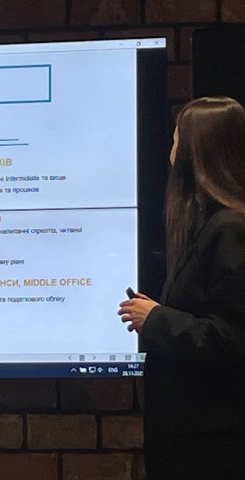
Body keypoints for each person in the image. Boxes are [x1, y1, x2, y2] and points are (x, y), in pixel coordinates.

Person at [118, 96, 245, 480]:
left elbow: (233, 340)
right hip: (193, 439)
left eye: (176, 141)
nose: (170, 153)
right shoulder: (209, 225)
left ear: (196, 152)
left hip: (212, 447)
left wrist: (157, 319)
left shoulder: (230, 230)